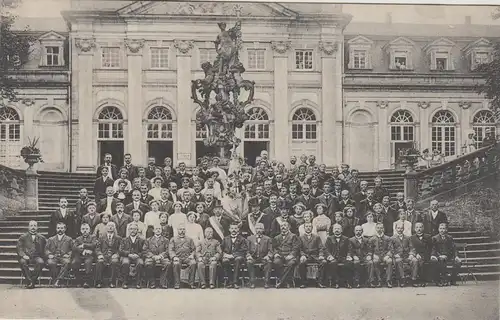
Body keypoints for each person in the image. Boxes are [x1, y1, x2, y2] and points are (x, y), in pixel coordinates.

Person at [17, 220, 46, 289]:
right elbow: (19, 248)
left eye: (35, 226)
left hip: (37, 257)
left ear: (37, 227)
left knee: (41, 262)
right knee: (22, 262)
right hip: (26, 256)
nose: (33, 227)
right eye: (31, 226)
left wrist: (44, 256)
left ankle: (32, 281)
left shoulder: (42, 238)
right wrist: (23, 255)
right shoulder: (23, 237)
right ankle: (30, 281)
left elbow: (46, 248)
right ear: (28, 227)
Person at [298, 222, 326, 288]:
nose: (308, 228)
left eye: (309, 226)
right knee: (301, 263)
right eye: (306, 226)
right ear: (304, 228)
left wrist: (321, 255)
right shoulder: (300, 237)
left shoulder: (317, 237)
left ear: (312, 228)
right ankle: (304, 282)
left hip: (315, 256)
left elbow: (321, 247)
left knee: (324, 262)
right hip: (306, 256)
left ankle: (320, 282)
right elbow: (299, 249)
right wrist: (302, 255)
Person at [169, 224, 197, 289]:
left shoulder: (190, 239)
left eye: (183, 229)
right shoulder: (173, 239)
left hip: (187, 257)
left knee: (193, 263)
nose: (182, 231)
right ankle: (177, 283)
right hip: (177, 257)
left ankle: (191, 283)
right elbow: (171, 250)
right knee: (176, 263)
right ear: (177, 230)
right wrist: (174, 257)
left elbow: (194, 250)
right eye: (180, 229)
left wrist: (192, 255)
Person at [46, 222, 73, 287]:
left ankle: (58, 280)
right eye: (58, 228)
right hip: (54, 256)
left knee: (67, 262)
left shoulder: (69, 239)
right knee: (50, 262)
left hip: (64, 257)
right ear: (56, 229)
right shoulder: (51, 239)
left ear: (65, 229)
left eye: (61, 228)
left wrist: (68, 254)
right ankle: (55, 279)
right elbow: (46, 249)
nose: (60, 229)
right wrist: (49, 254)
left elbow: (73, 250)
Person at [272, 221, 300, 289]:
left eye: (285, 225)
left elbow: (296, 247)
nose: (283, 227)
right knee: (276, 262)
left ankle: (281, 282)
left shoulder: (293, 236)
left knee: (291, 263)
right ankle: (285, 282)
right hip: (280, 255)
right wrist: (275, 254)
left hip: (290, 256)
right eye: (281, 226)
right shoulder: (277, 237)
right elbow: (274, 247)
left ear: (288, 227)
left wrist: (292, 255)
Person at [119, 222, 146, 289]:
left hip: (137, 257)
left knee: (140, 263)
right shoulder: (124, 240)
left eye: (134, 229)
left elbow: (144, 250)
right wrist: (128, 254)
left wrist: (138, 255)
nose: (133, 230)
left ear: (137, 230)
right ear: (128, 230)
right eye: (131, 229)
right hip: (127, 256)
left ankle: (138, 282)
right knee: (125, 263)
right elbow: (120, 250)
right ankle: (125, 281)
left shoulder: (141, 240)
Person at [221, 223, 248, 289]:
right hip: (228, 256)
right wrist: (225, 255)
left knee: (237, 260)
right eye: (232, 228)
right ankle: (230, 282)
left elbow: (243, 250)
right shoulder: (225, 239)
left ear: (238, 229)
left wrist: (233, 255)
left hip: (239, 257)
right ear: (229, 229)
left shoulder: (242, 239)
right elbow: (221, 249)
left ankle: (235, 282)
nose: (234, 230)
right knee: (225, 261)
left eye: (235, 228)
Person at [246, 222, 273, 289]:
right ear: (255, 229)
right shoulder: (249, 238)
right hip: (253, 257)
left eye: (260, 228)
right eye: (257, 228)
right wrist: (248, 256)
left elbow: (271, 250)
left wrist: (268, 256)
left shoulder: (268, 239)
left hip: (263, 257)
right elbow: (246, 250)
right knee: (249, 262)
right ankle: (252, 282)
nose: (259, 230)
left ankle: (266, 282)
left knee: (269, 262)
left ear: (263, 230)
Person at [95, 222, 121, 288]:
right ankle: (99, 282)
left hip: (113, 256)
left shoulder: (118, 238)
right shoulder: (101, 237)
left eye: (112, 226)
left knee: (114, 262)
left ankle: (112, 282)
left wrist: (117, 254)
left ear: (114, 228)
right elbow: (97, 248)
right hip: (103, 255)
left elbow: (120, 249)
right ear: (106, 227)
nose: (110, 227)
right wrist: (99, 254)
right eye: (109, 226)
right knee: (99, 262)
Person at [71, 223, 97, 288]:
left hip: (89, 256)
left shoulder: (93, 237)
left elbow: (93, 245)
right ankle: (78, 280)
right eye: (83, 229)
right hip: (79, 255)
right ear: (80, 230)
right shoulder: (78, 238)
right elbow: (74, 248)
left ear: (89, 230)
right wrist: (83, 251)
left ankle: (87, 281)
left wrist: (83, 245)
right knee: (74, 262)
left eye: (86, 229)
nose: (85, 231)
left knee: (88, 262)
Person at [325, 224, 350, 288]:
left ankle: (346, 282)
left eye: (338, 229)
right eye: (335, 229)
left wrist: (349, 255)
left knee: (348, 263)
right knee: (333, 263)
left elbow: (350, 249)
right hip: (333, 257)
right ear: (333, 231)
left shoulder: (346, 239)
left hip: (343, 257)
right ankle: (336, 282)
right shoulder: (329, 238)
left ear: (341, 230)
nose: (337, 230)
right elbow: (326, 249)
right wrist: (329, 256)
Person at [368, 223, 393, 288]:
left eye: (381, 228)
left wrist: (388, 255)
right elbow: (370, 250)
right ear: (376, 229)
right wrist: (373, 255)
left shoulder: (388, 238)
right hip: (376, 255)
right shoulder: (372, 239)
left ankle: (388, 280)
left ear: (383, 229)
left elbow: (391, 249)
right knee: (375, 262)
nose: (380, 229)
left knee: (389, 261)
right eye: (378, 228)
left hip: (385, 256)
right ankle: (379, 280)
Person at [409, 222, 433, 287]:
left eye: (420, 227)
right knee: (416, 261)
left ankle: (422, 280)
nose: (419, 229)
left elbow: (430, 248)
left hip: (426, 255)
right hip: (416, 255)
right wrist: (416, 254)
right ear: (414, 229)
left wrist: (426, 255)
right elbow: (411, 248)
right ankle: (415, 280)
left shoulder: (428, 237)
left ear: (423, 228)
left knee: (422, 261)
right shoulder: (412, 238)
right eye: (417, 227)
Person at [392, 223, 411, 287]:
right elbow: (390, 249)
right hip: (397, 256)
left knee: (414, 260)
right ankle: (402, 279)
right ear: (396, 229)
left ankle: (414, 279)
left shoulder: (408, 238)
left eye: (401, 228)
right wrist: (395, 254)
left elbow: (412, 247)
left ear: (403, 229)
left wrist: (411, 254)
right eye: (398, 228)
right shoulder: (392, 238)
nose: (400, 230)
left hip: (406, 256)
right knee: (399, 261)